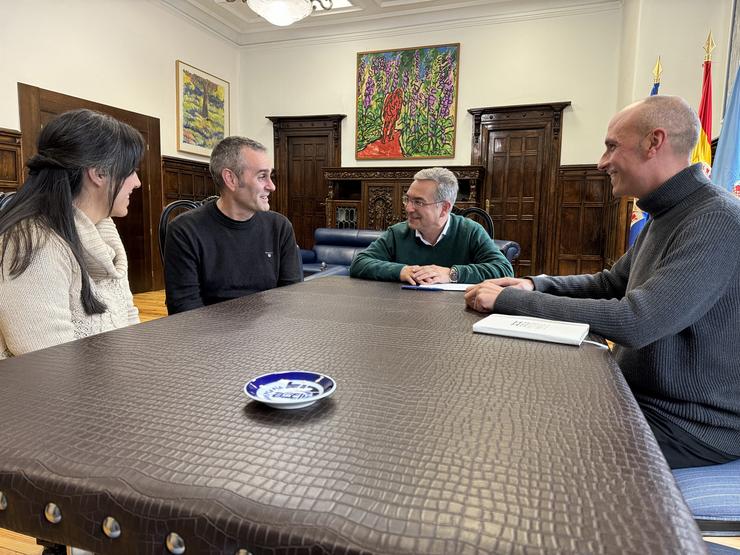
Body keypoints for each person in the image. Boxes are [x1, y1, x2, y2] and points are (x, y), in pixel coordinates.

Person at [465, 95, 740, 469]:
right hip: (642, 399)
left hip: (692, 425)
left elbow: (638, 320)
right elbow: (613, 283)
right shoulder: (668, 212)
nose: (602, 162)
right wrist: (533, 285)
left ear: (653, 143)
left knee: (530, 444)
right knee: (516, 402)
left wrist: (507, 303)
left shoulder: (716, 219)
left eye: (612, 146)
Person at [0, 109, 144, 359]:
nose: (137, 182)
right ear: (98, 172)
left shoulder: (103, 231)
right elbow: (48, 367)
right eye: (130, 170)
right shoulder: (33, 244)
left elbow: (128, 317)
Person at [164, 137, 301, 314]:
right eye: (262, 177)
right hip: (208, 338)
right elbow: (185, 310)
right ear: (231, 179)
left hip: (270, 335)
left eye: (270, 176)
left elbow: (290, 299)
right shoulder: (184, 231)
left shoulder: (280, 227)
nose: (272, 186)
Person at [350, 167, 513, 284]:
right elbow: (359, 263)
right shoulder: (398, 233)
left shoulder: (470, 231)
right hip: (402, 312)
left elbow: (504, 270)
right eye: (408, 199)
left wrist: (452, 274)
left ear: (444, 208)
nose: (408, 208)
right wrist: (401, 271)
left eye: (418, 202)